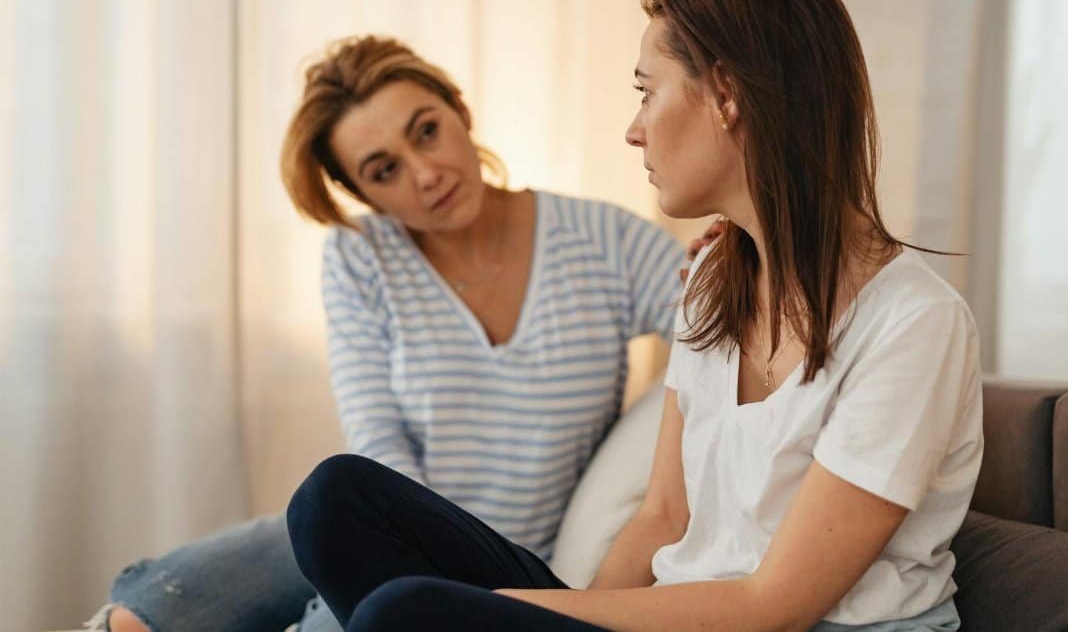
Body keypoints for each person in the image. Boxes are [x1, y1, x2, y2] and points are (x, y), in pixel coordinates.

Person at [284, 0, 984, 630]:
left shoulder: (914, 323)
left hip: (776, 623)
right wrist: (522, 618)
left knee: (399, 613)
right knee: (332, 499)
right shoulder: (713, 284)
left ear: (728, 95)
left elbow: (775, 607)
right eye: (383, 170)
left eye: (647, 92)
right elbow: (662, 517)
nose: (633, 129)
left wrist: (492, 613)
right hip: (679, 612)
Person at [89, 35, 690, 632]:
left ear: (458, 110)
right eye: (385, 170)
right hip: (379, 529)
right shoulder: (360, 257)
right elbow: (377, 445)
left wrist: (729, 253)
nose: (425, 174)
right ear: (362, 195)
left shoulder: (602, 241)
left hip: (497, 563)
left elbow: (715, 315)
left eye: (426, 131)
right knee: (135, 619)